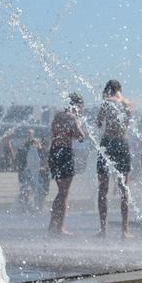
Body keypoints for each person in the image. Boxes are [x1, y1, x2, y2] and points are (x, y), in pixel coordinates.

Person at [95, 79, 135, 236]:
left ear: (108, 89)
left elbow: (98, 123)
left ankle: (103, 229)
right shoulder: (129, 104)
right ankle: (125, 230)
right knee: (124, 188)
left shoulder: (106, 102)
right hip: (122, 144)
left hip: (107, 143)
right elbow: (127, 123)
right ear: (120, 89)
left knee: (103, 188)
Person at [47, 93, 84, 235]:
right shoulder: (72, 117)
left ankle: (52, 224)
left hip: (54, 151)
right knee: (64, 193)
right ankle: (60, 227)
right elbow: (80, 136)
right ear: (76, 105)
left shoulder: (57, 116)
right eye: (81, 106)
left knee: (60, 192)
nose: (81, 109)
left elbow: (55, 132)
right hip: (65, 153)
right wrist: (81, 131)